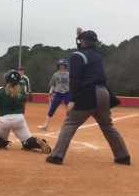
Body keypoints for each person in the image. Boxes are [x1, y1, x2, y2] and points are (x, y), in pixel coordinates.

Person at [46, 30, 131, 166]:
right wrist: (82, 34)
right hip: (104, 93)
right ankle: (123, 156)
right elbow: (87, 50)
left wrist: (72, 99)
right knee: (107, 126)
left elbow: (74, 79)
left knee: (70, 123)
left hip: (87, 94)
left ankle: (56, 156)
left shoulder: (76, 56)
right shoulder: (97, 56)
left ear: (83, 42)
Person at [0, 69, 51, 154]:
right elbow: (23, 106)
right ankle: (34, 142)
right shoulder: (21, 91)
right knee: (27, 142)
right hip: (19, 119)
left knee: (1, 142)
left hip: (3, 120)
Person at [38, 59, 70, 131]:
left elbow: (72, 84)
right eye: (60, 65)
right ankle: (45, 125)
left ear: (65, 66)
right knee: (52, 109)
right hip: (58, 93)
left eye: (63, 65)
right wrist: (50, 92)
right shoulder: (55, 74)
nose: (61, 66)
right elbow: (53, 84)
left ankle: (70, 125)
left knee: (69, 109)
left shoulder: (69, 74)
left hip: (67, 93)